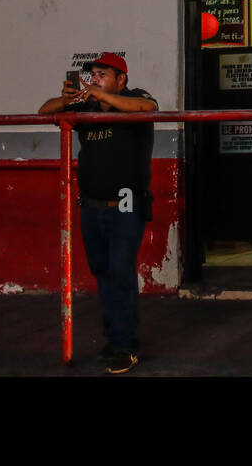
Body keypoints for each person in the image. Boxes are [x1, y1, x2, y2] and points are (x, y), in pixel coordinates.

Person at [39, 52, 157, 373]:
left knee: (120, 271)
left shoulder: (135, 98)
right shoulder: (85, 107)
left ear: (121, 79)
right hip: (91, 205)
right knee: (103, 273)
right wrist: (65, 100)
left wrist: (99, 95)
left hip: (126, 205)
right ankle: (114, 339)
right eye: (93, 74)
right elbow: (43, 111)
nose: (96, 79)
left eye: (103, 74)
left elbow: (148, 108)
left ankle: (127, 346)